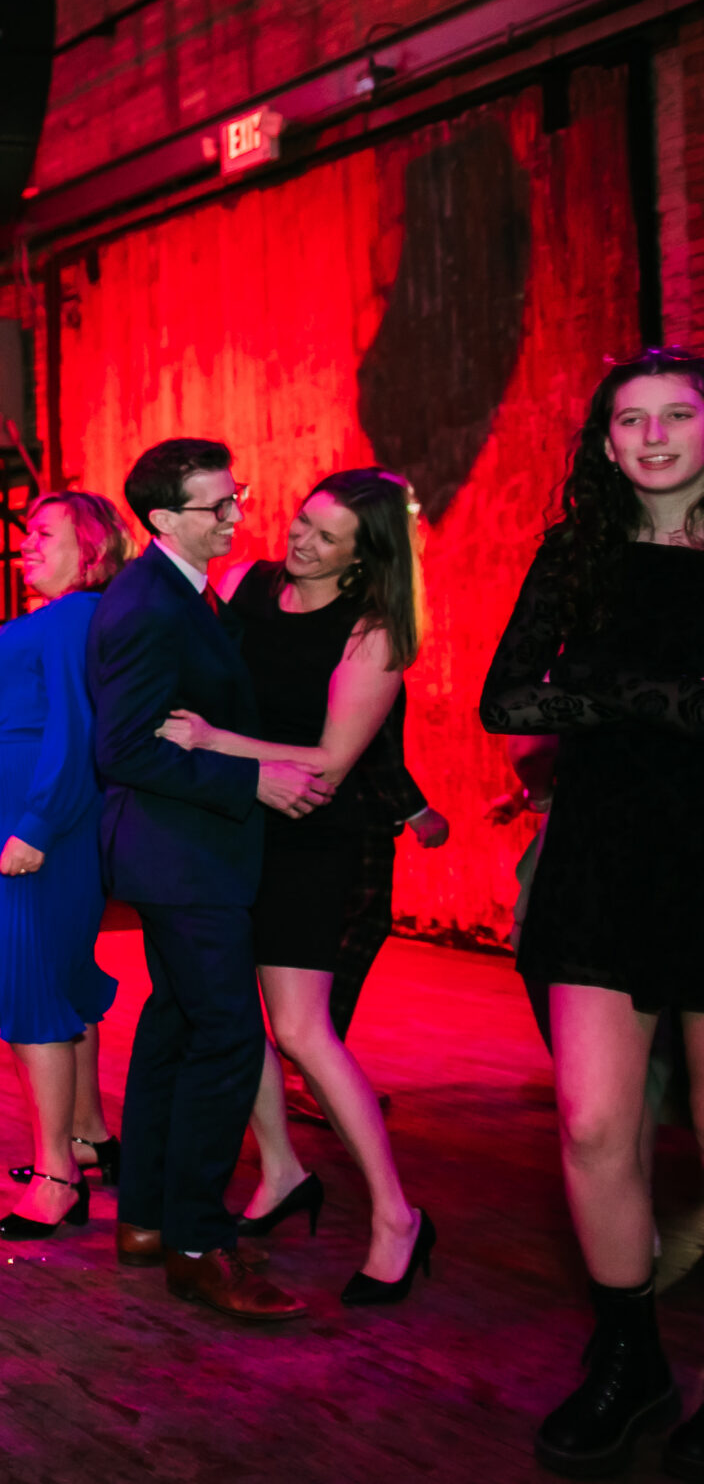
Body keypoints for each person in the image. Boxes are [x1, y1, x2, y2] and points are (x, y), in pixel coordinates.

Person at [480, 348, 704, 1481]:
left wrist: (612, 701)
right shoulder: (577, 554)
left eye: (676, 415)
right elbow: (505, 693)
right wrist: (650, 700)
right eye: (630, 421)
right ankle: (628, 1360)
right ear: (604, 443)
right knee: (591, 1124)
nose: (654, 436)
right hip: (605, 857)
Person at [156, 469, 436, 1303]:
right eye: (303, 520)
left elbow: (328, 761)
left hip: (316, 839)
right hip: (235, 826)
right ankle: (280, 1168)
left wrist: (208, 740)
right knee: (236, 1019)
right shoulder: (250, 584)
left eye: (326, 535)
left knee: (303, 1033)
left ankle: (396, 1215)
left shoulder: (377, 630)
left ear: (365, 555)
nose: (299, 539)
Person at [89, 439, 329, 1322]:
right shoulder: (148, 603)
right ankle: (200, 1243)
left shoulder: (186, 590)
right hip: (180, 853)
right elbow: (120, 747)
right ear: (161, 519)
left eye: (238, 498)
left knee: (177, 1026)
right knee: (229, 1038)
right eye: (216, 505)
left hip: (185, 852)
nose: (236, 515)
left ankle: (149, 1218)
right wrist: (251, 778)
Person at [0, 491, 129, 1238]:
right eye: (25, 533)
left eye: (44, 534)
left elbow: (76, 735)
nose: (26, 544)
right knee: (60, 980)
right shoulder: (57, 620)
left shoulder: (73, 618)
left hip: (37, 824)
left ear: (92, 548)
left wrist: (36, 825)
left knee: (31, 989)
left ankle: (57, 1176)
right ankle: (86, 1135)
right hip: (12, 821)